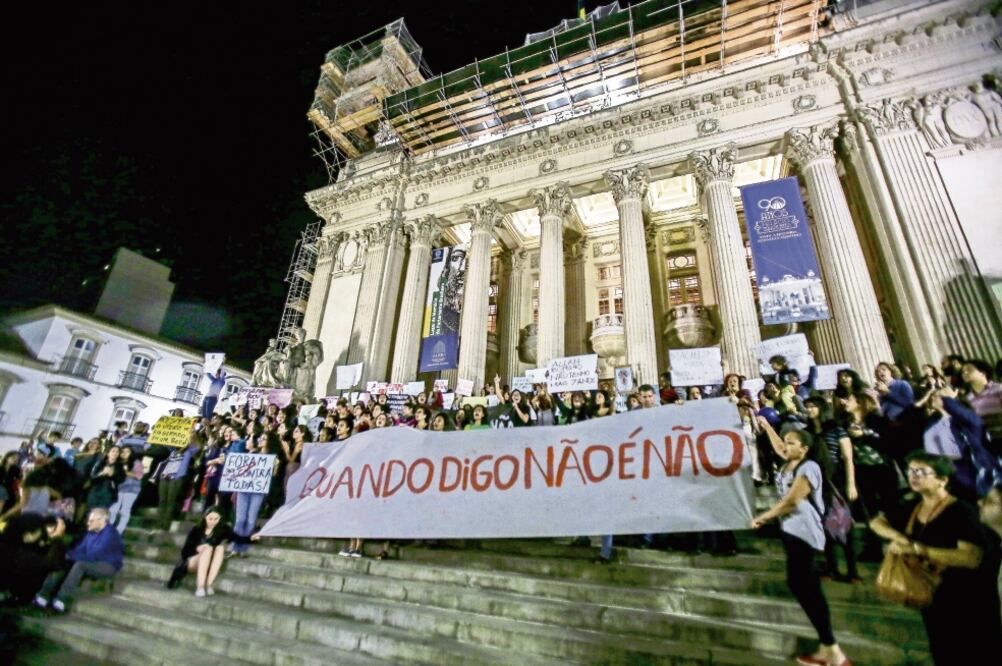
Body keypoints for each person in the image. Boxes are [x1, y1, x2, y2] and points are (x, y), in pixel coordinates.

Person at [870, 452, 1000, 664]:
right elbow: (877, 522)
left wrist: (919, 550)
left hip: (968, 598)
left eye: (921, 472)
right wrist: (900, 538)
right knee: (942, 650)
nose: (913, 476)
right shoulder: (913, 507)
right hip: (932, 594)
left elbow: (971, 557)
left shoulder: (961, 511)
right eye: (911, 471)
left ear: (943, 479)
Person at [752, 419, 850, 666]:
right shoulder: (790, 463)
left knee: (805, 585)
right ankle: (828, 646)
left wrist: (763, 517)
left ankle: (832, 649)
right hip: (790, 528)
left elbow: (792, 501)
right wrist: (766, 426)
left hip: (803, 529)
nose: (785, 446)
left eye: (791, 443)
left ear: (804, 448)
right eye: (786, 442)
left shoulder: (809, 468)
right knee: (801, 584)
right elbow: (777, 448)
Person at [34, 508, 124, 613]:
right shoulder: (91, 532)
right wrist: (67, 556)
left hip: (108, 565)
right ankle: (42, 596)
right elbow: (79, 549)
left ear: (101, 520)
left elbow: (94, 555)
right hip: (90, 559)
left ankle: (61, 601)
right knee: (64, 562)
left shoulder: (111, 534)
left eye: (91, 521)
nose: (87, 523)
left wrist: (72, 556)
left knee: (79, 565)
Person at [166, 506, 259, 596]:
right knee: (207, 549)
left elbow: (238, 538)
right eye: (210, 519)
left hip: (211, 561)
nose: (213, 522)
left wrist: (251, 538)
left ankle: (209, 584)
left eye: (216, 519)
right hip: (193, 561)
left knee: (220, 548)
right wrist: (197, 549)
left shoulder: (222, 529)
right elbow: (185, 553)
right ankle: (200, 587)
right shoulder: (196, 530)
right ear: (205, 517)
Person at [962, 359, 1002, 455]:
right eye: (963, 371)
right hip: (992, 440)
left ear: (982, 373)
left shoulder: (998, 388)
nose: (965, 373)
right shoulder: (968, 398)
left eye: (969, 370)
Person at [108, 445, 143, 534]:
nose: (124, 453)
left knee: (125, 510)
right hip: (119, 488)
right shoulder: (118, 462)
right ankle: (108, 528)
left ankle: (119, 531)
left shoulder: (136, 462)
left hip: (132, 489)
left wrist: (126, 472)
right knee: (113, 509)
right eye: (123, 452)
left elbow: (139, 476)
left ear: (131, 453)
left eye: (127, 451)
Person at [86, 445, 126, 510]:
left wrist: (112, 475)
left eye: (117, 452)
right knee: (90, 512)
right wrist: (102, 473)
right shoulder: (100, 463)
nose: (115, 453)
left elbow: (121, 480)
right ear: (108, 453)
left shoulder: (120, 466)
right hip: (95, 491)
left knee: (102, 513)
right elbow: (92, 477)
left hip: (109, 493)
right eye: (113, 451)